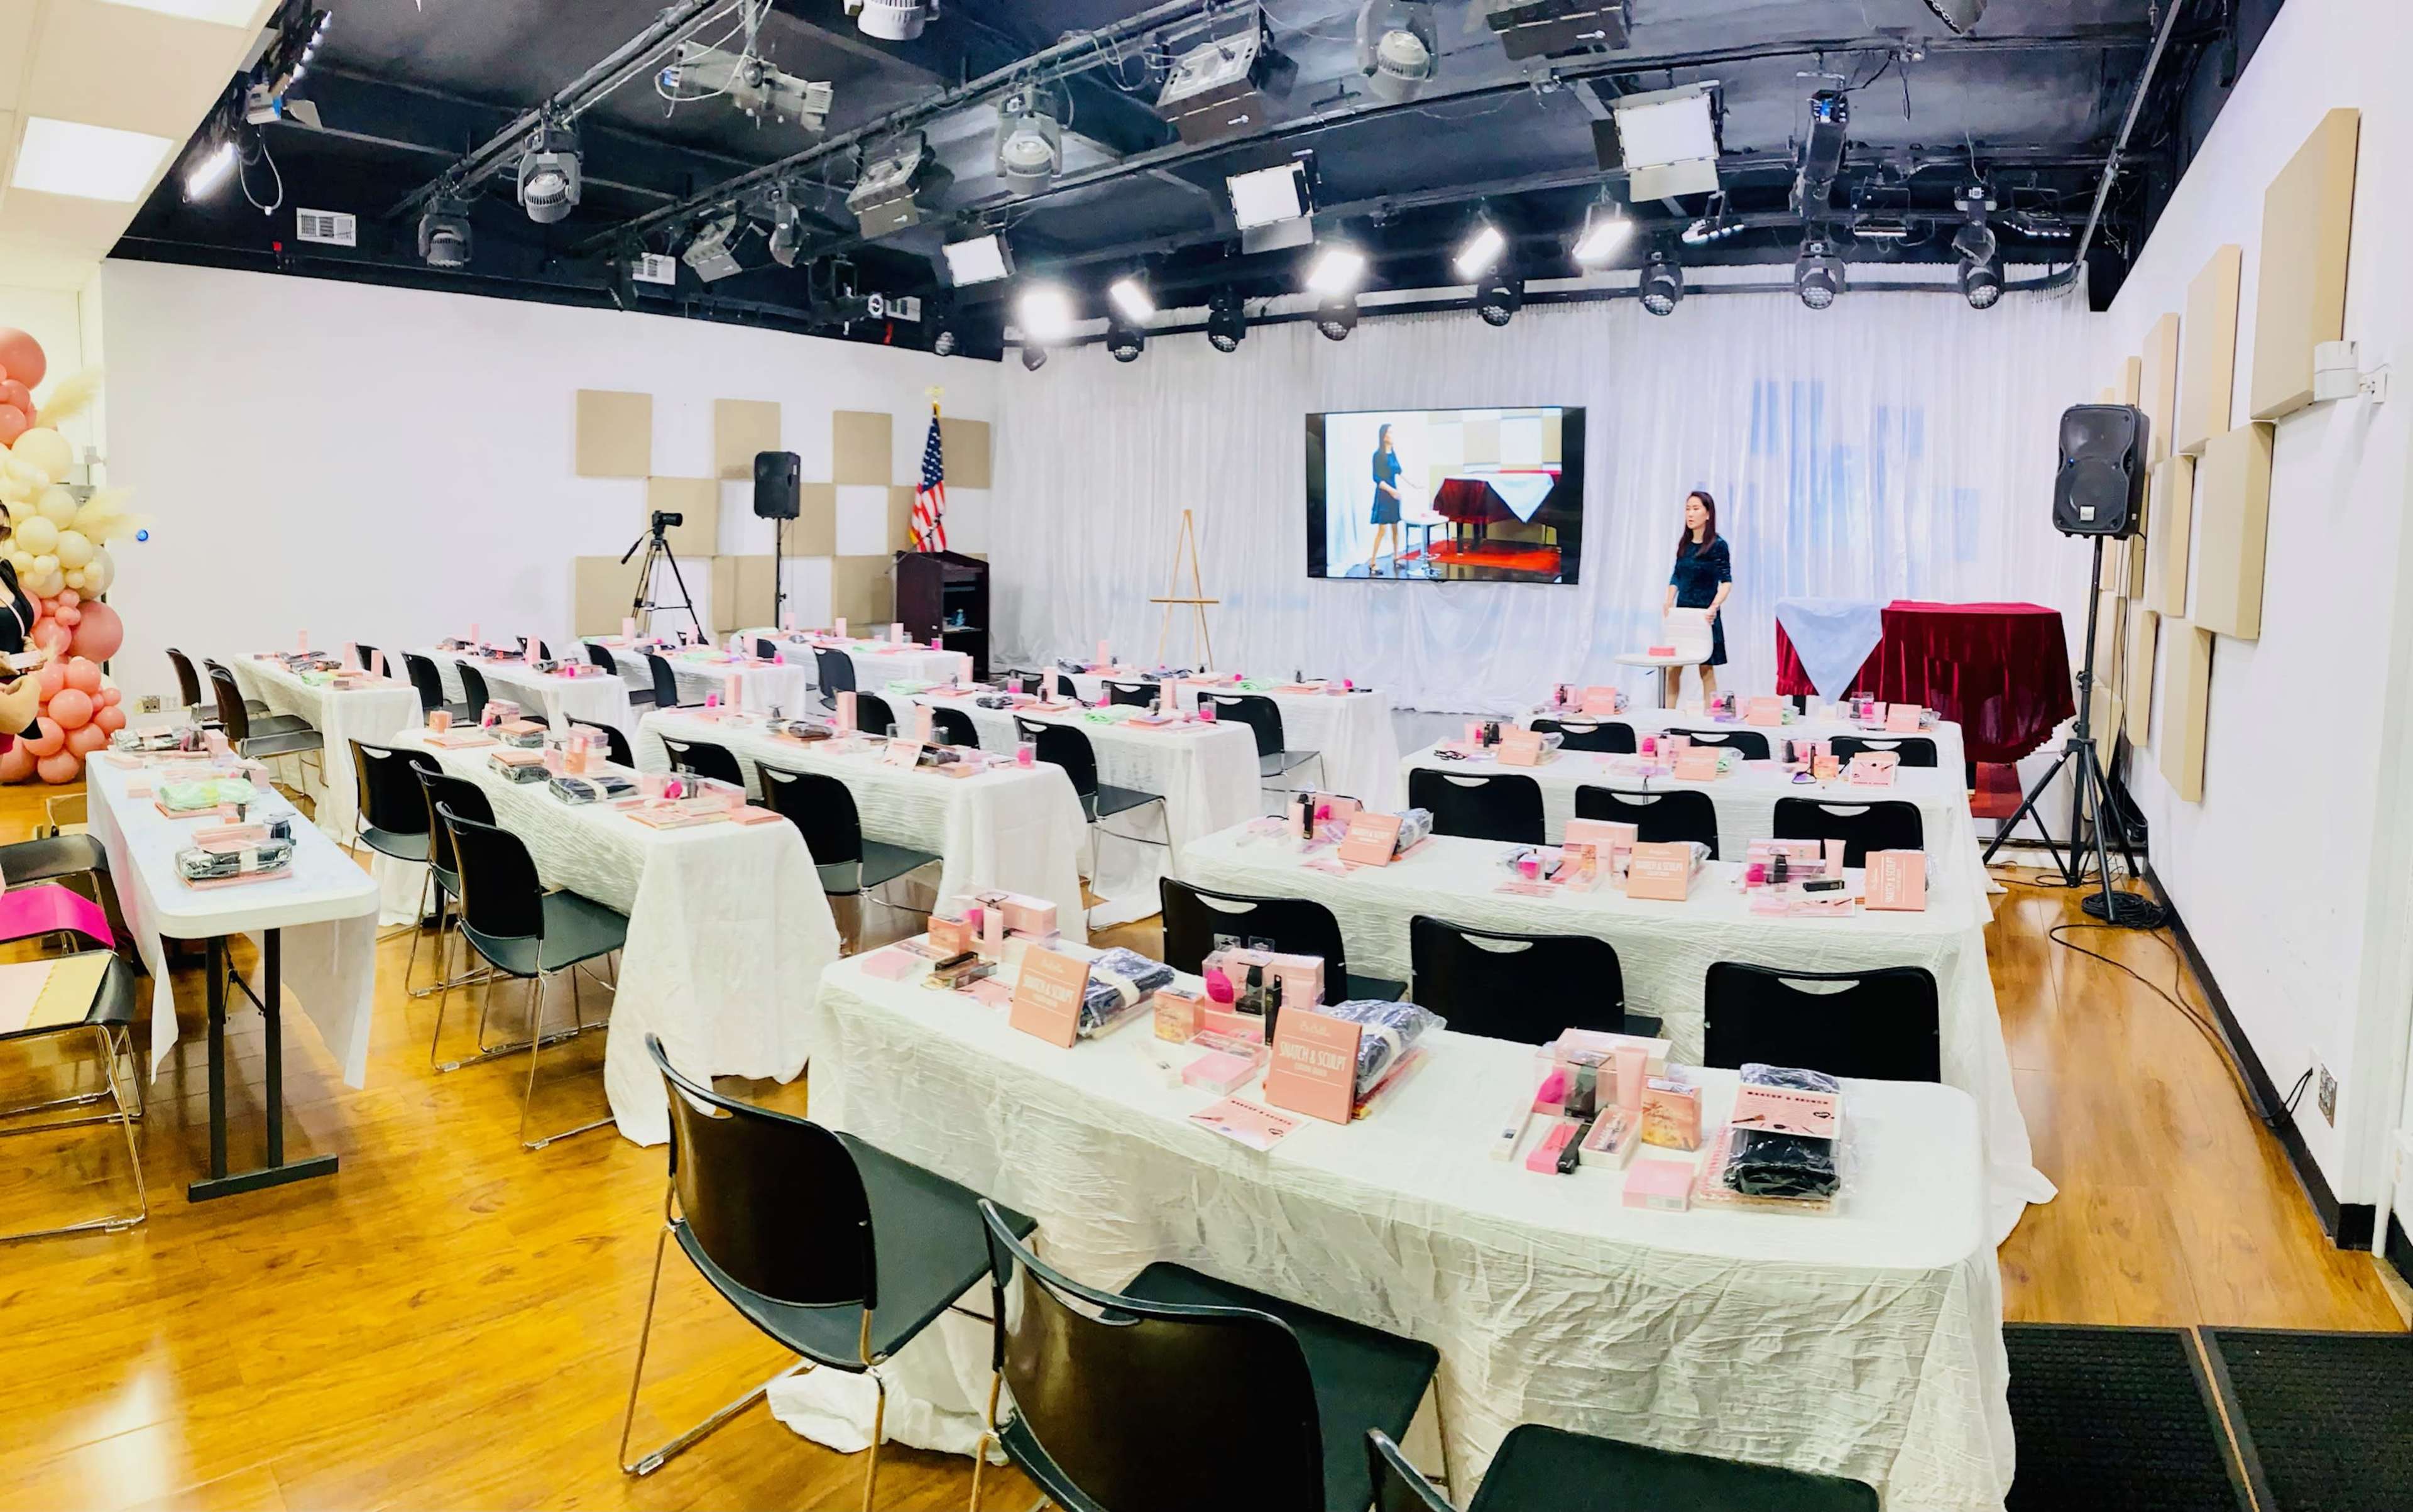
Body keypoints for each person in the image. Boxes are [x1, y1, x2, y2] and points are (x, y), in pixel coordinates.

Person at [1664, 489, 1732, 699]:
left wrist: (1714, 607)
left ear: (1708, 514)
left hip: (1705, 616)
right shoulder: (1684, 544)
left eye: (1695, 509)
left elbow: (1726, 582)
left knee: (1706, 669)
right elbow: (1677, 575)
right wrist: (1668, 600)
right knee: (1673, 668)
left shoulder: (1718, 546)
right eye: (1687, 509)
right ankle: (1668, 717)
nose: (1690, 514)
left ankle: (1709, 720)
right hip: (1682, 613)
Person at [1365, 423, 1403, 576]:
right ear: (1384, 436)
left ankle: (1396, 557)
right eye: (1391, 432)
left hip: (1394, 494)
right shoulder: (1378, 455)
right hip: (1384, 494)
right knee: (1382, 530)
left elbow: (1400, 471)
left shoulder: (1393, 454)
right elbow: (1377, 478)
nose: (1393, 435)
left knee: (1395, 527)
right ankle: (1372, 562)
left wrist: (1416, 485)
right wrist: (1392, 491)